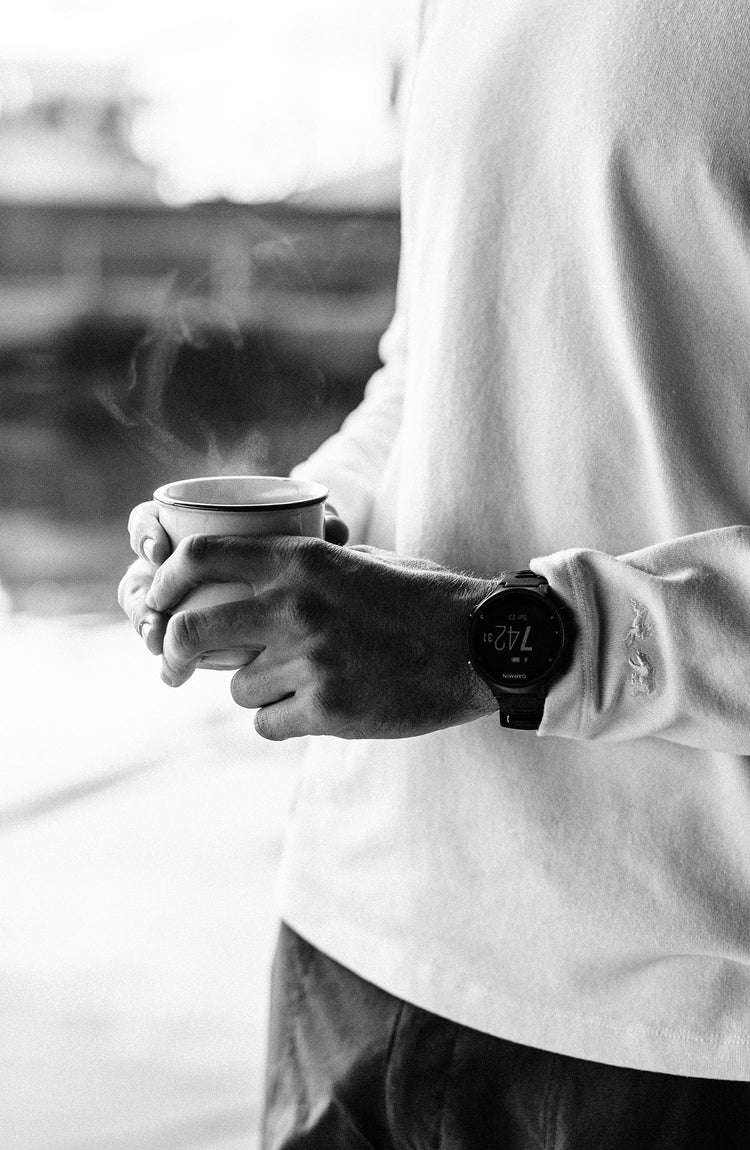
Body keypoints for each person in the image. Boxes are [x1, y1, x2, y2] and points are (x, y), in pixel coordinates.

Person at [119, 0, 750, 1145]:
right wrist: (304, 533)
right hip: (355, 942)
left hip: (675, 1023)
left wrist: (500, 643)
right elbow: (430, 364)